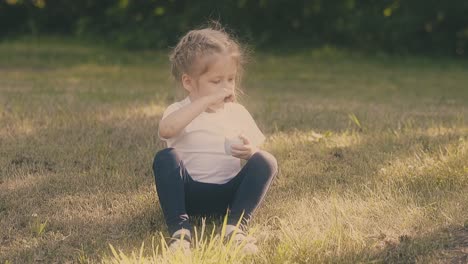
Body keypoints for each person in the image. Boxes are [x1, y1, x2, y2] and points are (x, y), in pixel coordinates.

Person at [152, 21, 278, 255]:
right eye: (216, 81)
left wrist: (250, 151)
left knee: (266, 160)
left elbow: (255, 154)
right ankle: (180, 232)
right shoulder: (180, 110)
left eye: (230, 79)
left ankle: (234, 228)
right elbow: (166, 130)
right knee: (165, 158)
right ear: (189, 82)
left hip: (227, 195)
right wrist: (203, 103)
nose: (226, 87)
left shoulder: (236, 112)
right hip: (188, 193)